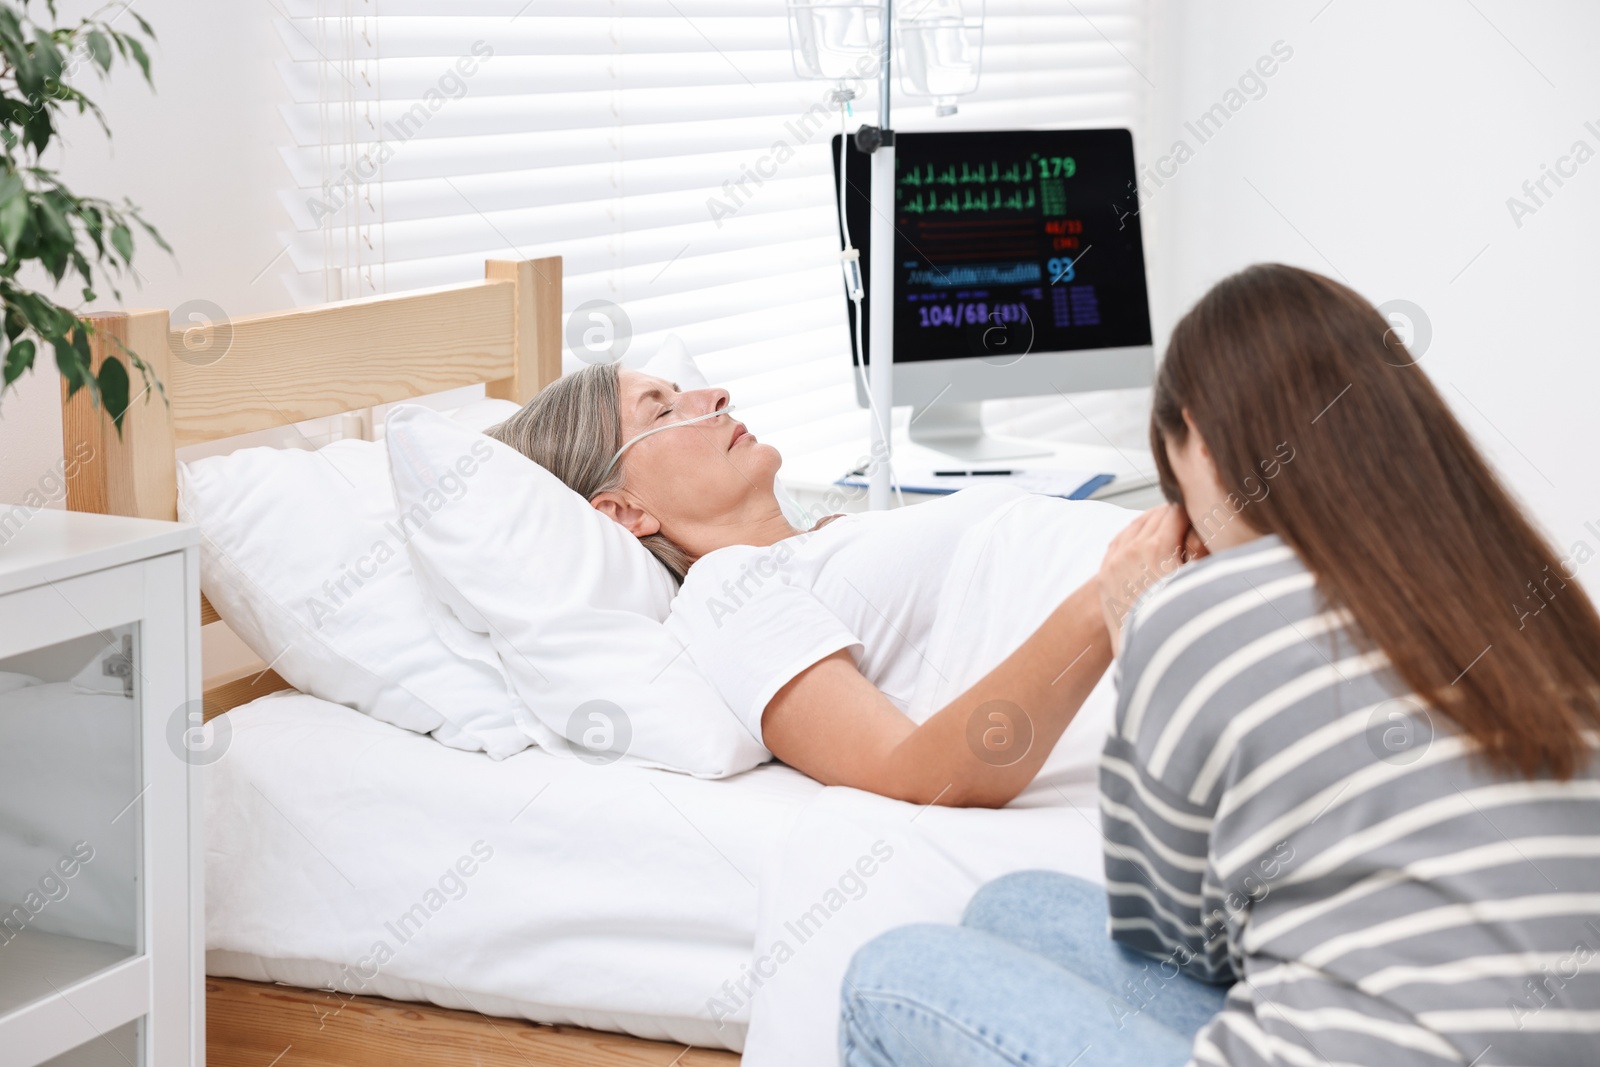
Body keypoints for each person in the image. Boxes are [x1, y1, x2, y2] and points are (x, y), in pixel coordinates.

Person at [838, 263, 1600, 1066]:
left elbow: (1178, 940)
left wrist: (1142, 635)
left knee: (889, 973)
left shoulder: (1201, 614)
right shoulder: (1530, 597)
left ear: (1197, 435)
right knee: (1012, 905)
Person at [489, 359, 1142, 808]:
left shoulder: (814, 551)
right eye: (661, 411)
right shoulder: (728, 592)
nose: (714, 396)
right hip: (1156, 630)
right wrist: (1103, 603)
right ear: (625, 511)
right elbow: (912, 772)